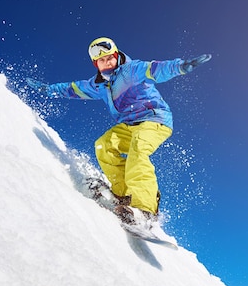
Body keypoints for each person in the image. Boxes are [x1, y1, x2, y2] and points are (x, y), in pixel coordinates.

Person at [26, 37, 211, 226]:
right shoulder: (98, 85)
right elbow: (73, 89)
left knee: (137, 151)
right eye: (101, 61)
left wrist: (180, 66)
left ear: (116, 56)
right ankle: (123, 196)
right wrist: (49, 90)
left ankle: (145, 210)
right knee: (104, 145)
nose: (107, 63)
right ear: (95, 64)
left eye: (109, 58)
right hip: (129, 125)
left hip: (154, 119)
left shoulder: (130, 70)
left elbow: (154, 69)